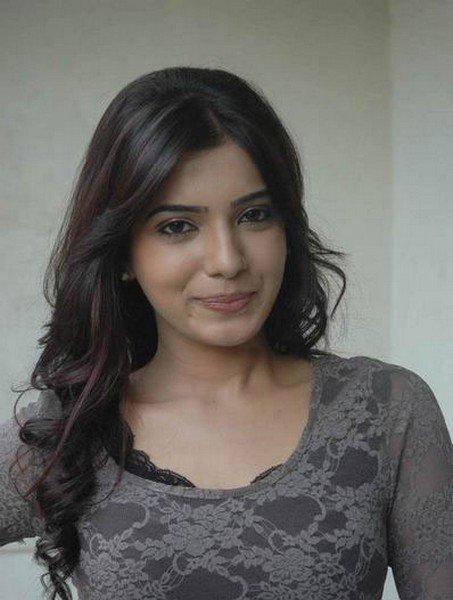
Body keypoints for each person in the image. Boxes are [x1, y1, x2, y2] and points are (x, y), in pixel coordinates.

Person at [0, 66, 451, 600]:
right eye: (177, 226)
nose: (227, 260)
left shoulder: (387, 411)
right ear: (122, 254)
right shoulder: (66, 429)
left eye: (255, 215)